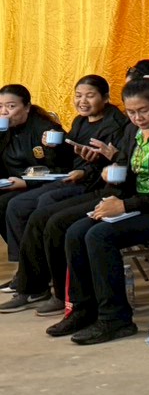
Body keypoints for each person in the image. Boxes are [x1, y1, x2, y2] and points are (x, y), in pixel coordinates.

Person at [46, 77, 149, 344]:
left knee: (99, 236)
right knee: (75, 231)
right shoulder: (133, 131)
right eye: (131, 112)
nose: (137, 118)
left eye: (143, 110)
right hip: (138, 204)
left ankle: (115, 319)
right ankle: (83, 309)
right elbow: (124, 167)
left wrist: (123, 205)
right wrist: (112, 177)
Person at [0, 76, 129, 315]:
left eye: (89, 95)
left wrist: (87, 169)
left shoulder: (116, 125)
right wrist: (55, 149)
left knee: (40, 207)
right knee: (26, 207)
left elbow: (117, 166)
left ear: (105, 98)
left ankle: (44, 286)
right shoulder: (80, 121)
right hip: (75, 179)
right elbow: (69, 158)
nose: (82, 101)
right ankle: (32, 281)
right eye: (78, 96)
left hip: (96, 186)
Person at [0, 85, 67, 278]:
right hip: (12, 184)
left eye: (11, 106)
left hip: (42, 185)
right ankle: (27, 267)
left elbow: (60, 169)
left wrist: (27, 183)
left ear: (27, 107)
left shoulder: (46, 130)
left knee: (10, 205)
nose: (4, 112)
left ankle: (31, 271)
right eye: (0, 106)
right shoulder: (4, 131)